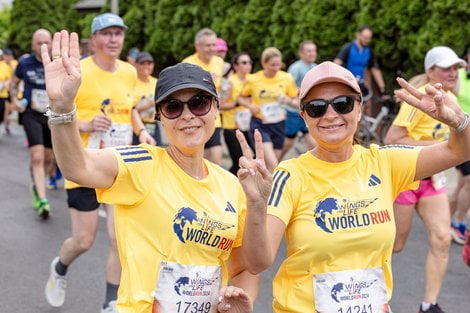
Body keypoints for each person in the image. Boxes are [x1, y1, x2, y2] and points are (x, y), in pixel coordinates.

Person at [41, 29, 259, 313]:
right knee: (90, 238)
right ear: (160, 117)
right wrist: (62, 106)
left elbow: (245, 268)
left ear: (215, 109)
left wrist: (238, 303)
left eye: (199, 102)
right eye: (172, 107)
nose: (188, 115)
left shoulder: (231, 185)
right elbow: (77, 166)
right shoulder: (141, 164)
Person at [236, 60, 470, 313]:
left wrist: (459, 122)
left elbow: (459, 150)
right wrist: (257, 206)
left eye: (342, 104)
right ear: (303, 116)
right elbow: (258, 262)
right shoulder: (290, 175)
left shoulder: (384, 161)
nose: (330, 115)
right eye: (316, 108)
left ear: (359, 109)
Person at [44, 14, 154, 313]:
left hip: (120, 165)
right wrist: (88, 123)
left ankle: (110, 302)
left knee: (120, 240)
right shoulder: (78, 70)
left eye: (118, 33)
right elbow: (54, 110)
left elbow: (130, 109)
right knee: (83, 240)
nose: (114, 39)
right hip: (83, 164)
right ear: (93, 39)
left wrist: (142, 130)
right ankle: (61, 266)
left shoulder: (130, 72)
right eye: (106, 34)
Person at [384, 46, 466, 313]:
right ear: (431, 71)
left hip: (433, 180)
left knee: (442, 238)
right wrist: (437, 148)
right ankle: (367, 296)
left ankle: (428, 305)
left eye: (456, 67)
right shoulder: (417, 99)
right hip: (407, 178)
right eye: (446, 68)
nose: (453, 72)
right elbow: (392, 139)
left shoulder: (450, 98)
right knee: (394, 245)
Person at [10, 29, 54, 218]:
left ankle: (38, 183)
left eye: (46, 42)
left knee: (49, 158)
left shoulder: (57, 63)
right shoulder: (24, 63)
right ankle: (42, 198)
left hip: (52, 115)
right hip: (31, 114)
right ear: (32, 44)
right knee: (37, 155)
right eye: (39, 43)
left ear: (52, 43)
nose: (43, 46)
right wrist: (14, 101)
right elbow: (13, 83)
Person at [240, 47, 298, 172]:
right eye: (272, 65)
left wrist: (288, 101)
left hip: (279, 124)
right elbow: (240, 98)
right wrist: (250, 106)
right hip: (260, 124)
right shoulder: (253, 79)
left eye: (278, 64)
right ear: (263, 63)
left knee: (268, 167)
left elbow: (296, 102)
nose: (276, 68)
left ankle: (261, 188)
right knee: (273, 164)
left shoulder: (286, 78)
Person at [182, 28, 224, 165]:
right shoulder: (187, 64)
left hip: (213, 117)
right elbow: (183, 92)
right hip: (195, 118)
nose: (211, 49)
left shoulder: (219, 62)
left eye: (213, 45)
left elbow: (219, 87)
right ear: (197, 46)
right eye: (207, 45)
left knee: (216, 158)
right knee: (199, 160)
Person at [281, 40, 317, 158]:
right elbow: (288, 88)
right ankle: (273, 164)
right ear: (301, 53)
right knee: (288, 143)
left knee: (314, 143)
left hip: (309, 111)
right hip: (294, 112)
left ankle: (315, 169)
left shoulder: (315, 67)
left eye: (314, 51)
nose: (312, 53)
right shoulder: (295, 68)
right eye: (308, 51)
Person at [449, 47, 470, 244]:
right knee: (469, 181)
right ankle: (459, 224)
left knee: (463, 184)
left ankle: (445, 218)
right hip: (461, 136)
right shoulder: (458, 76)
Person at [219, 52, 253, 174]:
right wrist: (238, 103)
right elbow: (221, 105)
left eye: (249, 62)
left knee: (254, 156)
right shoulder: (228, 82)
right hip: (232, 126)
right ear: (236, 66)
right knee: (237, 162)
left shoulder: (252, 80)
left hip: (249, 124)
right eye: (244, 62)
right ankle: (227, 183)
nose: (248, 65)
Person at [334, 25, 387, 97]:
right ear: (358, 35)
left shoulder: (369, 51)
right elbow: (336, 64)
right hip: (347, 84)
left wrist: (382, 89)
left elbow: (375, 69)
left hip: (360, 84)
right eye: (365, 38)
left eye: (369, 38)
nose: (367, 40)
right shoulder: (348, 47)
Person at [133, 51, 161, 145]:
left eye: (149, 63)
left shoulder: (156, 82)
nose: (146, 66)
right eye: (142, 64)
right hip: (137, 127)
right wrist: (148, 104)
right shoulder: (132, 83)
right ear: (136, 65)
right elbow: (131, 109)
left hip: (153, 125)